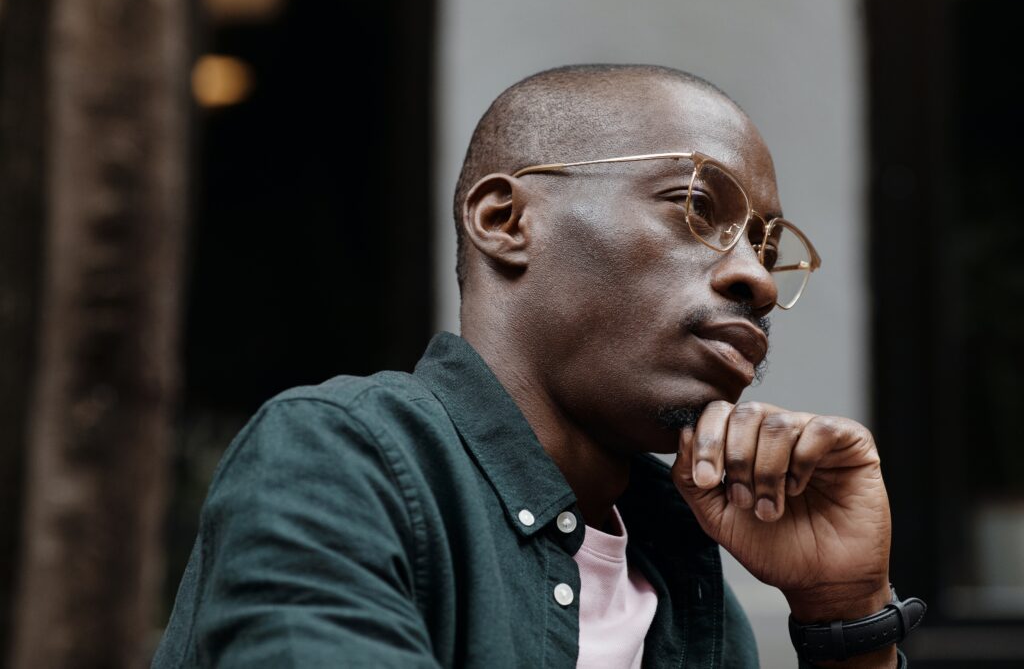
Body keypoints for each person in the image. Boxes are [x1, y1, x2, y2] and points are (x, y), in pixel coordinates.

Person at [153, 64, 924, 668]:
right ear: (504, 220)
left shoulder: (691, 583)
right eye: (695, 205)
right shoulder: (345, 463)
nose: (755, 279)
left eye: (764, 248)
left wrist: (846, 618)